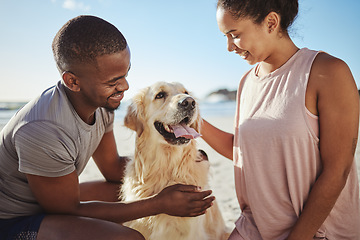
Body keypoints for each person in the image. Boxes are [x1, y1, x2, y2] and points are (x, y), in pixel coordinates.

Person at [0, 15, 215, 240]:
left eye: (125, 74)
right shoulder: (42, 130)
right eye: (112, 81)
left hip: (49, 200)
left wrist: (175, 171)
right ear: (73, 81)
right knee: (129, 237)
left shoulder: (102, 107)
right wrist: (159, 203)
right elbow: (68, 210)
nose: (124, 86)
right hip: (13, 221)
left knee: (131, 190)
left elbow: (112, 169)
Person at [201, 0, 360, 239]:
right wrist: (194, 123)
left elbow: (337, 170)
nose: (229, 47)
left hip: (316, 231)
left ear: (271, 23)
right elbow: (244, 151)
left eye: (234, 35)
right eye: (225, 36)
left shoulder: (328, 71)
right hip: (255, 226)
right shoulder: (246, 82)